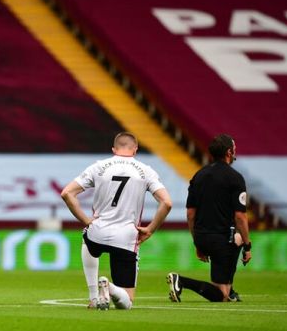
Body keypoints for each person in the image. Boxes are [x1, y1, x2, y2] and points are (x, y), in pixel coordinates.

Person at [61, 132, 172, 310]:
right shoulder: (146, 171)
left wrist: (86, 220)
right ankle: (110, 287)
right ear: (135, 149)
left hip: (98, 231)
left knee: (86, 238)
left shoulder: (99, 167)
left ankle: (93, 297)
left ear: (114, 149)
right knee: (126, 303)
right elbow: (166, 203)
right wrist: (150, 229)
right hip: (126, 237)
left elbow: (67, 193)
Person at [167, 134, 252, 303]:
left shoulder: (199, 176)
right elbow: (240, 216)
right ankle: (182, 281)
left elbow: (190, 214)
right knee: (222, 296)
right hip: (222, 239)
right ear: (229, 152)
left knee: (224, 293)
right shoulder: (235, 178)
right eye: (234, 148)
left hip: (203, 237)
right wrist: (248, 246)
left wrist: (197, 242)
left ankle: (229, 287)